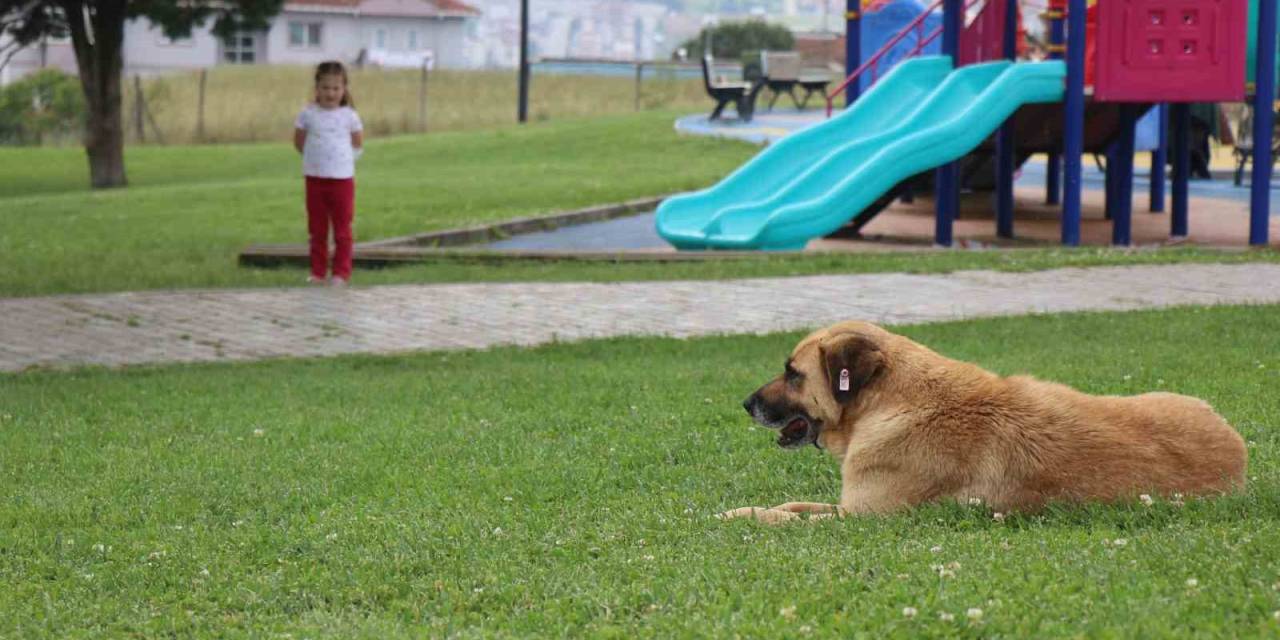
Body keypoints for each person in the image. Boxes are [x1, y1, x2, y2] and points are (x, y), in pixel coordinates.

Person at [293, 60, 364, 286]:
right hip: (315, 179)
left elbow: (357, 144)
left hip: (342, 181)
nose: (330, 93)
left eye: (336, 88)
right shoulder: (307, 115)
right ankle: (318, 272)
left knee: (342, 229)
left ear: (344, 89)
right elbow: (299, 142)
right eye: (325, 88)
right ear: (317, 89)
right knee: (317, 229)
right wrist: (316, 159)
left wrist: (340, 162)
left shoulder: (349, 116)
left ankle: (341, 273)